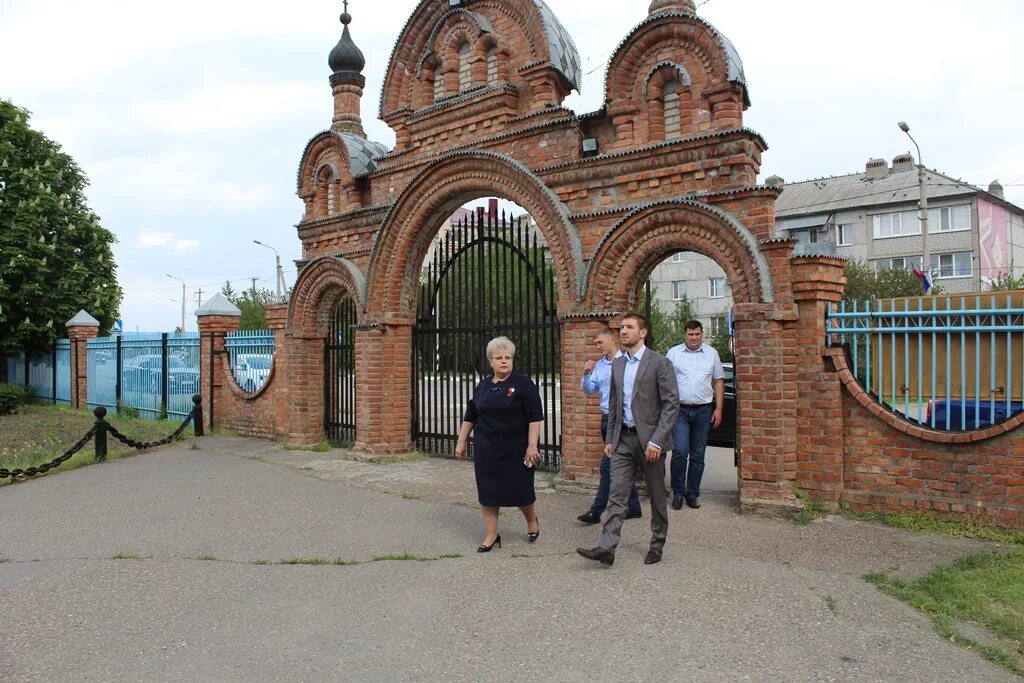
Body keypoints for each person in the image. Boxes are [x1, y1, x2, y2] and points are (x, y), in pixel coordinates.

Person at [577, 313, 678, 566]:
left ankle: (657, 544)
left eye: (629, 327)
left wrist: (657, 441)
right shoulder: (618, 365)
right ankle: (607, 547)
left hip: (650, 443)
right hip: (623, 440)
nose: (623, 331)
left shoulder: (659, 363)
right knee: (617, 494)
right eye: (622, 327)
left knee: (656, 496)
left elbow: (670, 405)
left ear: (642, 333)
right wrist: (611, 438)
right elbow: (614, 404)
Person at [455, 336, 544, 553]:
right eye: (499, 358)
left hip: (516, 448)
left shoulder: (523, 384)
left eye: (508, 357)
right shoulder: (483, 386)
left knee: (521, 490)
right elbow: (471, 414)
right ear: (491, 362)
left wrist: (532, 446)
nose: (504, 361)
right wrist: (461, 441)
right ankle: (492, 535)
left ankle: (532, 520)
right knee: (488, 492)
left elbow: (534, 417)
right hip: (487, 448)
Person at [577, 327, 642, 524]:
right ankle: (634, 506)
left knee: (607, 467)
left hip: (622, 422)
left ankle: (596, 511)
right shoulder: (599, 365)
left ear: (612, 341)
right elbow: (589, 389)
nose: (597, 347)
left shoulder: (628, 362)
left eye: (600, 343)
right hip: (606, 420)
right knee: (619, 465)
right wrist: (587, 373)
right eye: (595, 344)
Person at [666, 320, 725, 510]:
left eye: (697, 334)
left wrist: (719, 409)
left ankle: (692, 494)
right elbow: (664, 381)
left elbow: (718, 381)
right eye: (690, 334)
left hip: (703, 410)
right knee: (680, 452)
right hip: (680, 410)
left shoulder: (711, 353)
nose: (694, 337)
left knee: (698, 455)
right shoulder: (674, 353)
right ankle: (678, 492)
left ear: (702, 334)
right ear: (685, 334)